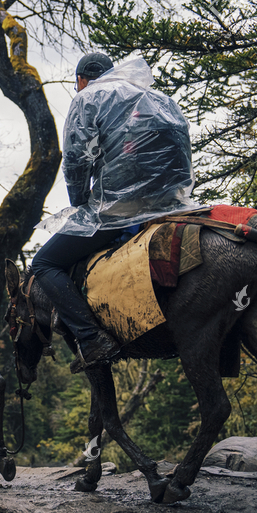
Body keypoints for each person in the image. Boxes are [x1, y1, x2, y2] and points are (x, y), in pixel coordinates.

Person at [33, 53, 199, 372]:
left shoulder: (88, 98)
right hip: (173, 204)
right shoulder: (157, 97)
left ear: (81, 79)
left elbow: (76, 162)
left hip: (121, 209)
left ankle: (91, 338)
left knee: (44, 263)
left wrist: (82, 205)